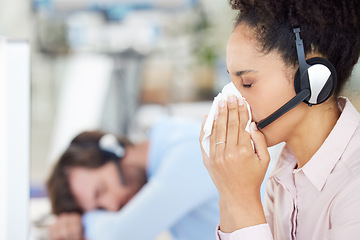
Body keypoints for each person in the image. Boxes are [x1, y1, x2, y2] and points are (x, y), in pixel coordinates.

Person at [199, 1, 360, 239]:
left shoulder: (353, 188)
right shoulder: (285, 174)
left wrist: (242, 197)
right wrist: (228, 189)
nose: (235, 100)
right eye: (232, 84)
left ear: (312, 79)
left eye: (247, 83)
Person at [47, 118, 220, 240]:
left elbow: (119, 235)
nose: (113, 206)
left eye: (101, 190)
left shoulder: (187, 150)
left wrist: (82, 223)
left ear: (113, 150)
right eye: (101, 209)